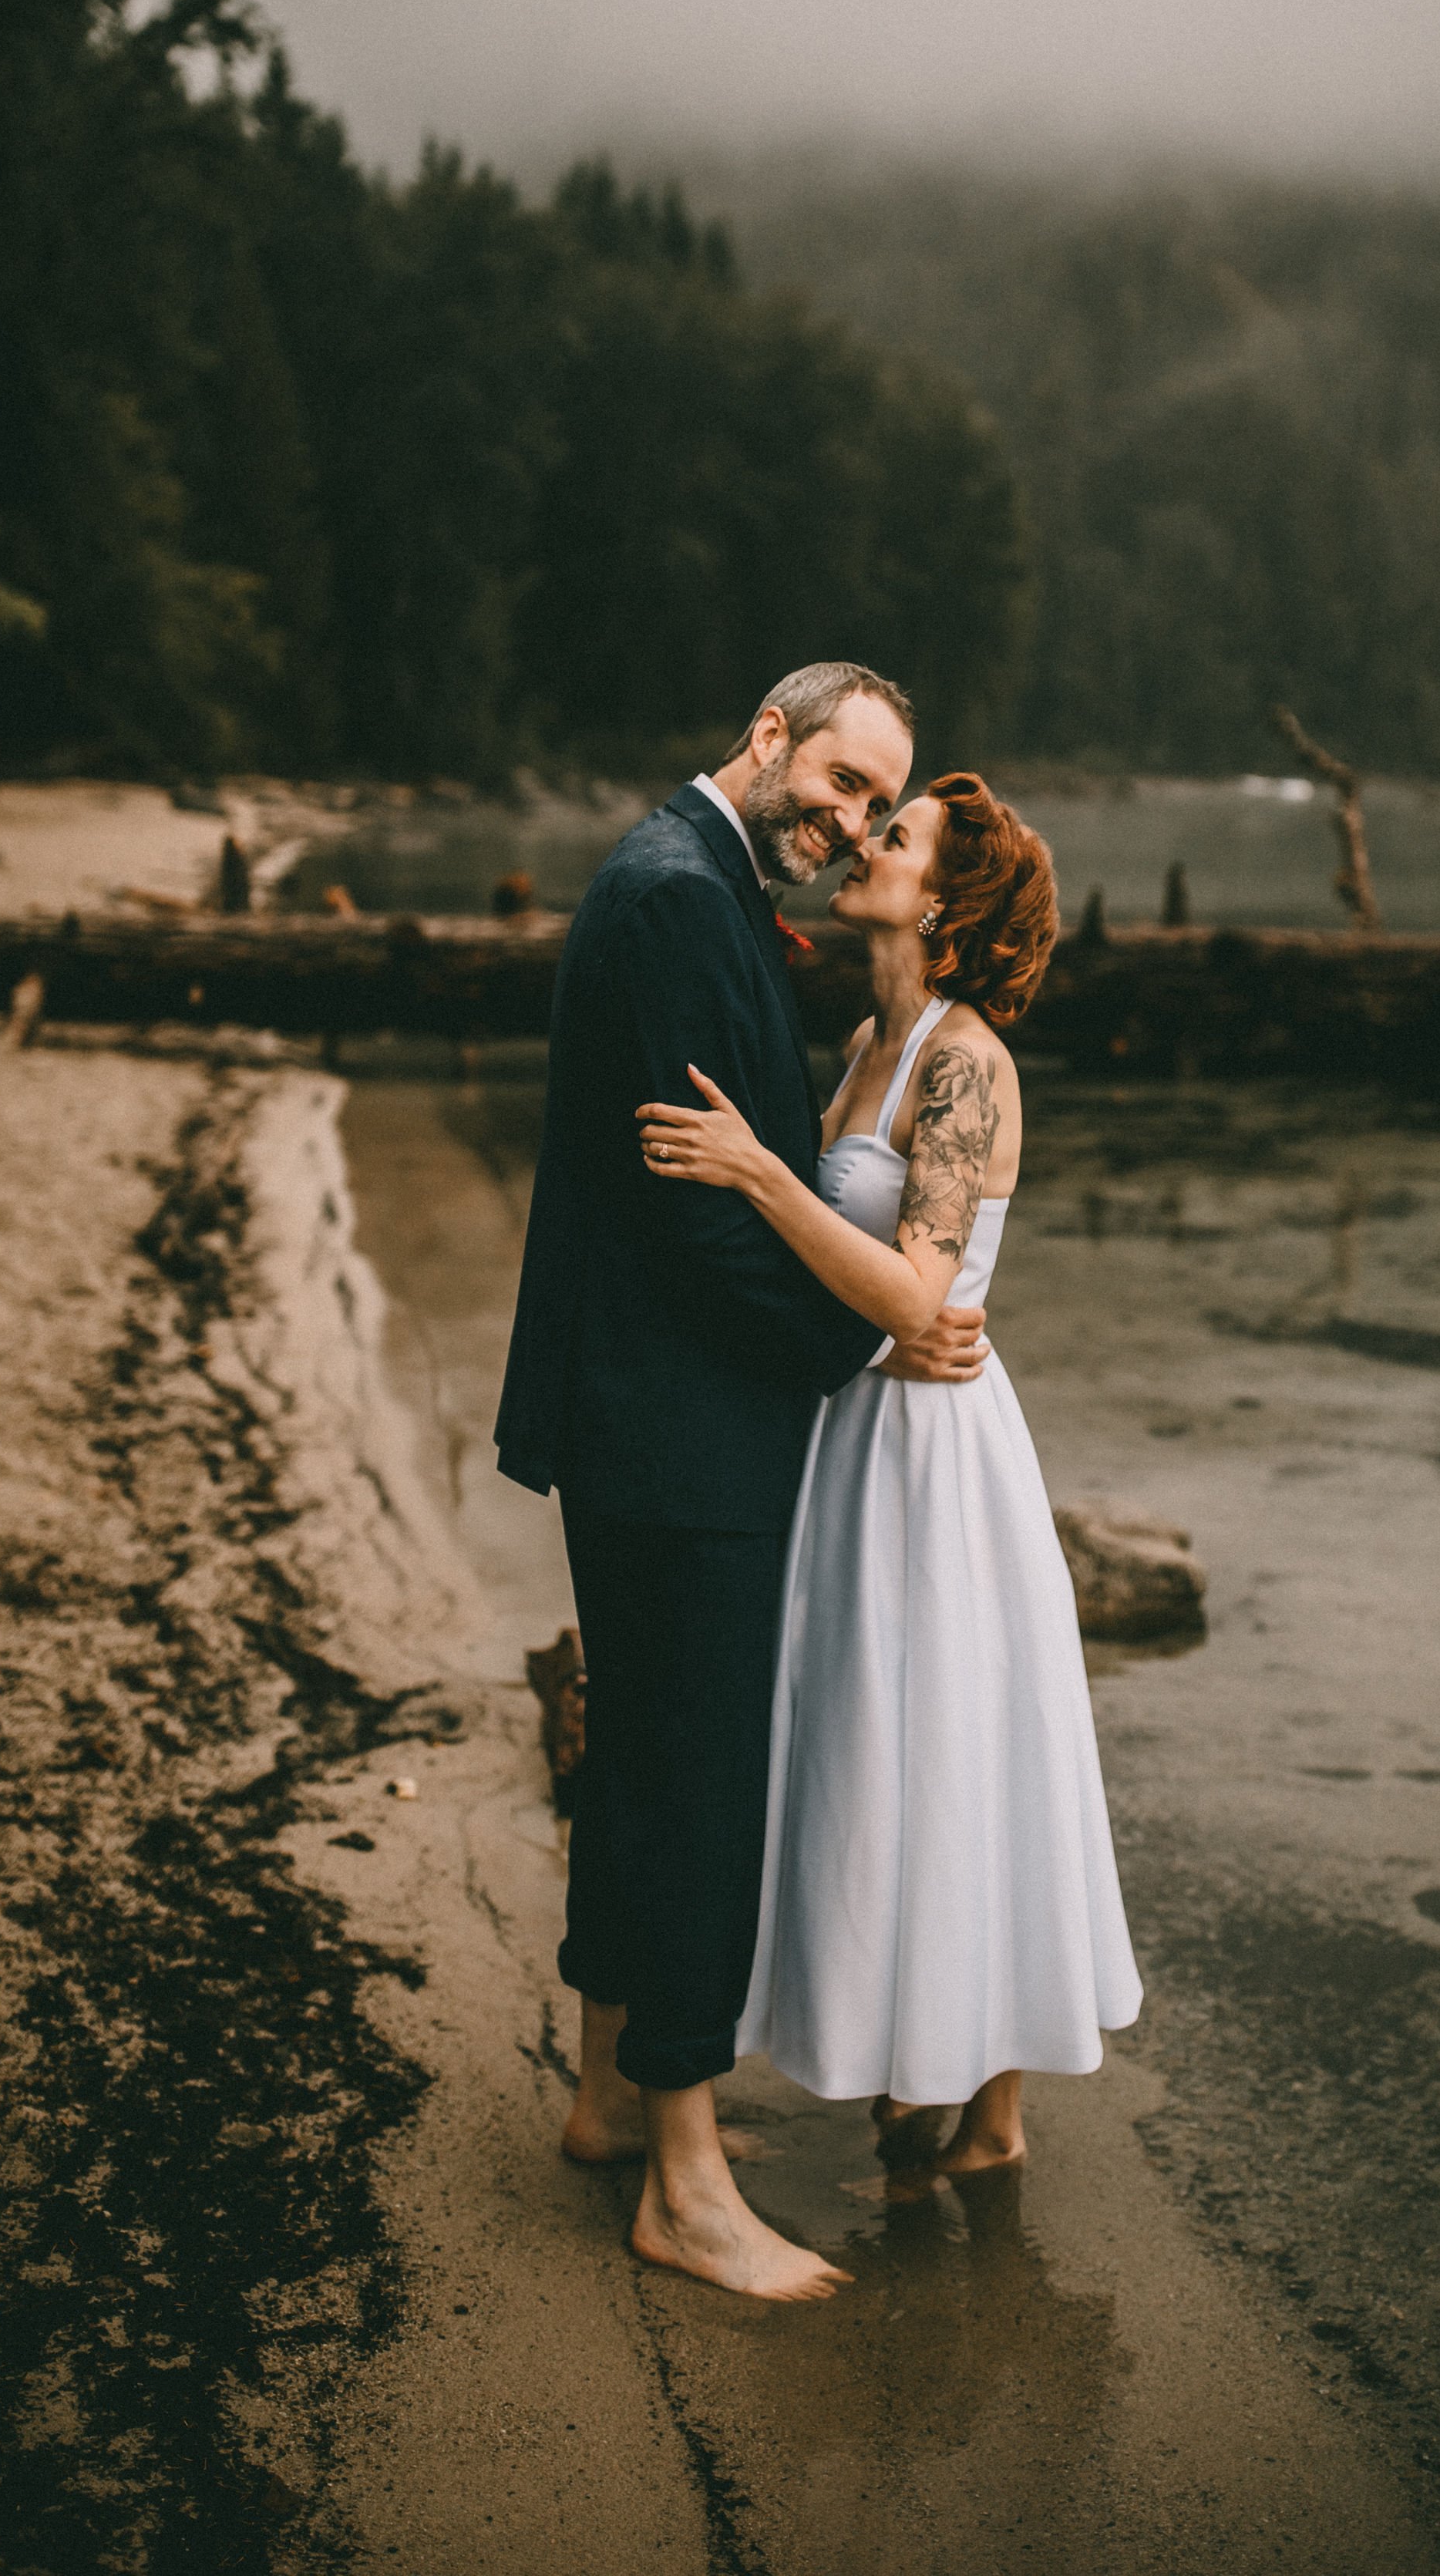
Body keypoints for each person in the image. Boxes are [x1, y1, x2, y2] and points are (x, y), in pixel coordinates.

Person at [495, 663, 991, 2302]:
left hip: (651, 1410)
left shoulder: (687, 882)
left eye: (875, 806)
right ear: (768, 737)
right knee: (700, 1781)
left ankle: (605, 2099)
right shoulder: (674, 901)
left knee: (646, 1749)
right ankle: (687, 2186)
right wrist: (859, 1351)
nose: (845, 821)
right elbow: (697, 1217)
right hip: (677, 1423)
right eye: (839, 779)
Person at [637, 772, 1142, 2188]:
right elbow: (875, 1304)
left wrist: (756, 1171)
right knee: (876, 1746)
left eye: (897, 833)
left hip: (937, 1455)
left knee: (955, 1747)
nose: (866, 836)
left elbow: (924, 1300)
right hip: (854, 1427)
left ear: (947, 901)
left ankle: (992, 2106)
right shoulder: (872, 1036)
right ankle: (929, 2065)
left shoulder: (969, 1061)